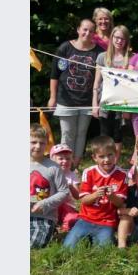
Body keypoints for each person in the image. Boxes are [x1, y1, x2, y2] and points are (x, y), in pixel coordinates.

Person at [48, 19, 105, 169]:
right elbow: (54, 74)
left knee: (81, 133)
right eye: (85, 29)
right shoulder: (65, 48)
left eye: (91, 31)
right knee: (67, 133)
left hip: (87, 101)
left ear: (94, 33)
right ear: (78, 30)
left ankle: (74, 166)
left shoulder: (99, 52)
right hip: (66, 100)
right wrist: (52, 97)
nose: (87, 33)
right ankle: (63, 166)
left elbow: (100, 79)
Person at [62, 136, 128, 249]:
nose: (106, 160)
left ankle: (96, 237)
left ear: (116, 154)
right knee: (68, 248)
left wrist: (111, 196)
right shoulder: (89, 172)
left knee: (104, 250)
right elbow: (83, 200)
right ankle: (85, 235)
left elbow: (120, 203)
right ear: (94, 157)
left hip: (107, 221)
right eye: (101, 156)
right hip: (85, 219)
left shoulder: (122, 174)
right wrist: (96, 195)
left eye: (110, 155)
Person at [92, 25, 131, 157]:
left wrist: (127, 108)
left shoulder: (131, 58)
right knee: (104, 134)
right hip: (105, 102)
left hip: (122, 102)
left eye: (123, 39)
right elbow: (97, 82)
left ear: (126, 41)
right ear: (112, 37)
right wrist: (94, 104)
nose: (119, 41)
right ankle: (103, 160)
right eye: (117, 37)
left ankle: (115, 162)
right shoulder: (102, 57)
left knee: (117, 135)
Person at [30, 124, 70, 248]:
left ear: (47, 144)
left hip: (44, 216)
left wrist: (45, 204)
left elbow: (64, 192)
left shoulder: (53, 167)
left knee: (35, 243)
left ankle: (50, 232)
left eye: (42, 143)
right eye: (33, 142)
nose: (38, 146)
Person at [48, 144, 80, 233]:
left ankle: (65, 227)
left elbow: (77, 196)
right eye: (61, 159)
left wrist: (70, 186)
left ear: (72, 160)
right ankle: (52, 224)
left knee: (73, 219)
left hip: (67, 206)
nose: (65, 161)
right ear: (52, 160)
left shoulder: (72, 175)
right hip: (51, 205)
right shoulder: (49, 174)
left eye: (68, 158)